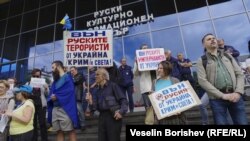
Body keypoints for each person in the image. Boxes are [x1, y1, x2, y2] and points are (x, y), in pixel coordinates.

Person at [197, 33, 248, 125]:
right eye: (209, 39)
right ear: (203, 44)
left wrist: (238, 92)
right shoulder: (202, 60)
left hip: (235, 96)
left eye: (213, 38)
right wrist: (222, 95)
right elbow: (202, 81)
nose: (212, 40)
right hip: (216, 99)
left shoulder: (228, 56)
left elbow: (239, 74)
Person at [86, 68, 128, 141]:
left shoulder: (113, 86)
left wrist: (121, 112)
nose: (95, 76)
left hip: (113, 117)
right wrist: (90, 102)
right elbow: (95, 108)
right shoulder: (97, 90)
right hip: (102, 117)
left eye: (97, 74)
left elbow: (123, 100)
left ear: (104, 76)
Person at [47, 61, 79, 141]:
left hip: (65, 109)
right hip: (55, 109)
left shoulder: (68, 77)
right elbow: (51, 93)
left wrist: (57, 96)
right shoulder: (55, 81)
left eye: (53, 68)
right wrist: (51, 97)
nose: (52, 70)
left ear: (58, 67)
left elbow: (70, 91)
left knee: (71, 131)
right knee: (58, 131)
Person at [133, 44, 156, 111]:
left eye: (147, 48)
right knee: (148, 107)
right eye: (144, 48)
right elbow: (135, 73)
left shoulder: (154, 57)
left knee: (157, 106)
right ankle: (151, 121)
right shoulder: (138, 59)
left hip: (156, 85)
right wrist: (137, 64)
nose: (146, 49)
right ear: (141, 50)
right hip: (146, 87)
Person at [28, 68, 48, 141]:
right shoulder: (28, 83)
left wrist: (46, 88)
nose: (36, 77)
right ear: (32, 76)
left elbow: (47, 94)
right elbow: (25, 94)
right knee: (33, 123)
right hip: (32, 106)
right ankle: (34, 139)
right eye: (35, 76)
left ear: (40, 76)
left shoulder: (43, 83)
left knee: (42, 123)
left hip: (41, 105)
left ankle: (44, 139)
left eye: (38, 76)